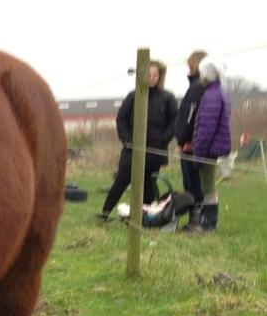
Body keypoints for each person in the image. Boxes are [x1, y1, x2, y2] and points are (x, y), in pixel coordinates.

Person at [98, 60, 178, 222]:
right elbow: (121, 119)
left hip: (154, 152)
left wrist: (163, 140)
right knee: (120, 182)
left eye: (155, 75)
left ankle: (144, 218)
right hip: (131, 150)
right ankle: (104, 214)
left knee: (148, 185)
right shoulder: (133, 96)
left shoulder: (168, 98)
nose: (152, 78)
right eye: (149, 74)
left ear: (160, 77)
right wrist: (127, 140)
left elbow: (174, 123)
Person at [186, 59, 231, 233]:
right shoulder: (218, 92)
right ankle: (208, 222)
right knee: (208, 185)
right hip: (214, 147)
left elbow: (206, 128)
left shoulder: (211, 95)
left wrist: (198, 153)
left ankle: (208, 223)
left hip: (209, 149)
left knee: (207, 186)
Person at [174, 50, 208, 229]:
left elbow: (190, 116)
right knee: (192, 183)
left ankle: (196, 221)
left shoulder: (197, 88)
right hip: (190, 142)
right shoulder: (197, 86)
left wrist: (181, 139)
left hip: (190, 144)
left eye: (190, 65)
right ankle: (194, 220)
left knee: (192, 183)